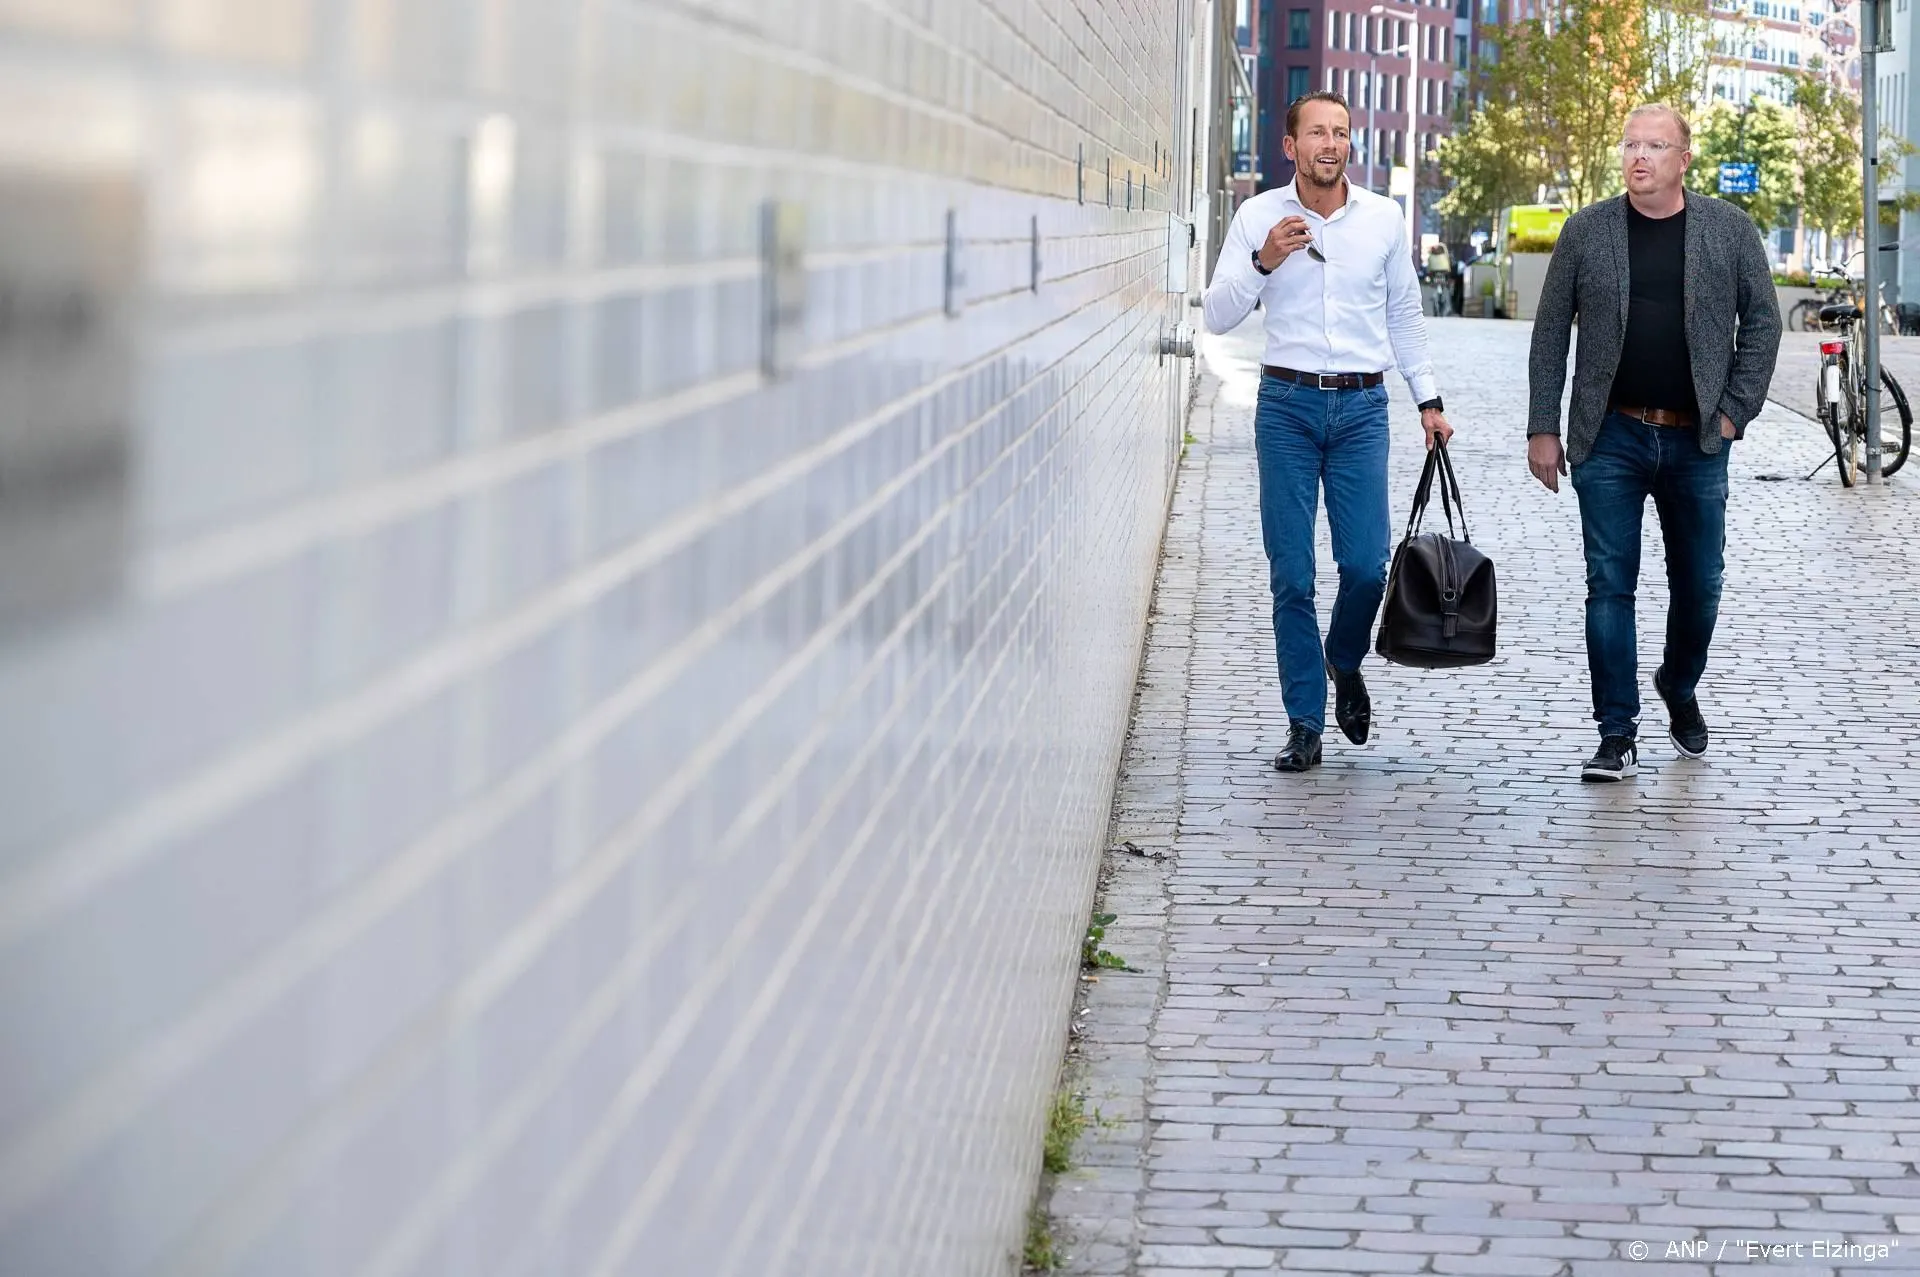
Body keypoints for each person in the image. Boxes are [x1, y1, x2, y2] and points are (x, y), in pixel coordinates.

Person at [1527, 104, 1780, 782]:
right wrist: (1543, 427)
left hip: (1698, 437)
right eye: (1632, 143)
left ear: (1684, 158)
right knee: (1608, 584)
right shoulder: (1587, 231)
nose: (1640, 156)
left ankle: (1678, 680)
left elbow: (1763, 322)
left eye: (1656, 145)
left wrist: (1732, 414)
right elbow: (1551, 331)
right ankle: (1616, 731)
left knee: (1700, 585)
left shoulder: (1728, 230)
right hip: (1608, 433)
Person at [1202, 90, 1453, 774]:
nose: (1331, 144)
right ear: (1291, 147)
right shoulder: (1259, 216)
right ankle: (1304, 722)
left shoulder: (1381, 219)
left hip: (1362, 411)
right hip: (1285, 406)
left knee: (1367, 565)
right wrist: (1263, 261)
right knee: (1291, 575)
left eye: (1341, 132)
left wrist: (1427, 400)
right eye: (1317, 133)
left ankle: (1344, 658)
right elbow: (1216, 316)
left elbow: (1404, 316)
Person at [1424, 240, 1453, 315]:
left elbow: (1429, 269)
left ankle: (1435, 299)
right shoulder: (1445, 256)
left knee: (1434, 284)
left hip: (1434, 273)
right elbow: (1448, 267)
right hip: (1444, 273)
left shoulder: (1431, 256)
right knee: (1446, 287)